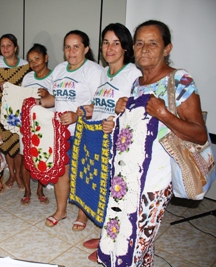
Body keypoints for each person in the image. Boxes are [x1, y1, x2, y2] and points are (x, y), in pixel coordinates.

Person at [99, 20, 207, 266]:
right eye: (139, 43)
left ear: (167, 48)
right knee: (139, 244)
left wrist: (165, 114)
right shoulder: (138, 83)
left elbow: (200, 134)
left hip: (155, 181)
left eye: (152, 43)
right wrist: (121, 113)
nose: (144, 49)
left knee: (133, 245)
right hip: (128, 179)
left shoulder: (180, 80)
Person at [76, 23, 142, 262]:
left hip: (121, 145)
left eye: (116, 42)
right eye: (106, 42)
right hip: (100, 143)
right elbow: (104, 107)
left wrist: (117, 121)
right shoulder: (104, 73)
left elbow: (138, 113)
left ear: (125, 46)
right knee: (103, 192)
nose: (110, 47)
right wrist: (87, 111)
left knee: (118, 196)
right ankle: (106, 234)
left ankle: (112, 246)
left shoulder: (133, 74)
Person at [39, 30, 103, 227]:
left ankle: (83, 215)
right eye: (68, 47)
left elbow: (101, 105)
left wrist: (77, 115)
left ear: (86, 48)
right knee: (61, 173)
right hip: (60, 133)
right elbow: (53, 100)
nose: (71, 51)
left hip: (85, 132)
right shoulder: (59, 70)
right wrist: (35, 103)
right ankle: (61, 210)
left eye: (76, 46)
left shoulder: (94, 71)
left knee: (83, 175)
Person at [0, 33, 28, 191]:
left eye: (9, 45)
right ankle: (12, 174)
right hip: (3, 110)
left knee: (18, 144)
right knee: (7, 143)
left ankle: (19, 174)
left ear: (15, 47)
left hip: (20, 111)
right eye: (2, 45)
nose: (5, 48)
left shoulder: (26, 66)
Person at [19, 43, 53, 205]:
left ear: (46, 58)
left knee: (41, 158)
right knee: (26, 158)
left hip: (45, 127)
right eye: (30, 61)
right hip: (27, 125)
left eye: (37, 59)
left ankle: (40, 189)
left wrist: (48, 95)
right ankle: (27, 190)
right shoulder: (28, 77)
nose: (34, 63)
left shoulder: (54, 77)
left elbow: (58, 101)